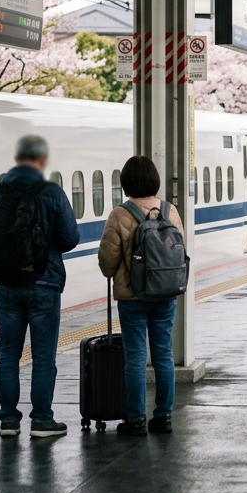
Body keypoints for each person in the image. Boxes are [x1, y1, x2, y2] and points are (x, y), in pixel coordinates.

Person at [0, 134, 80, 438]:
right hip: (44, 283)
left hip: (7, 285)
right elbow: (70, 238)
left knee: (8, 352)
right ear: (42, 160)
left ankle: (9, 420)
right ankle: (42, 420)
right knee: (43, 355)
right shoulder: (51, 192)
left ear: (17, 158)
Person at [97, 156, 182, 437]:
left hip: (132, 297)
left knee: (134, 356)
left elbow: (107, 263)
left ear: (126, 183)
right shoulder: (171, 211)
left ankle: (135, 419)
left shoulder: (120, 215)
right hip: (166, 294)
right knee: (163, 354)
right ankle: (164, 416)